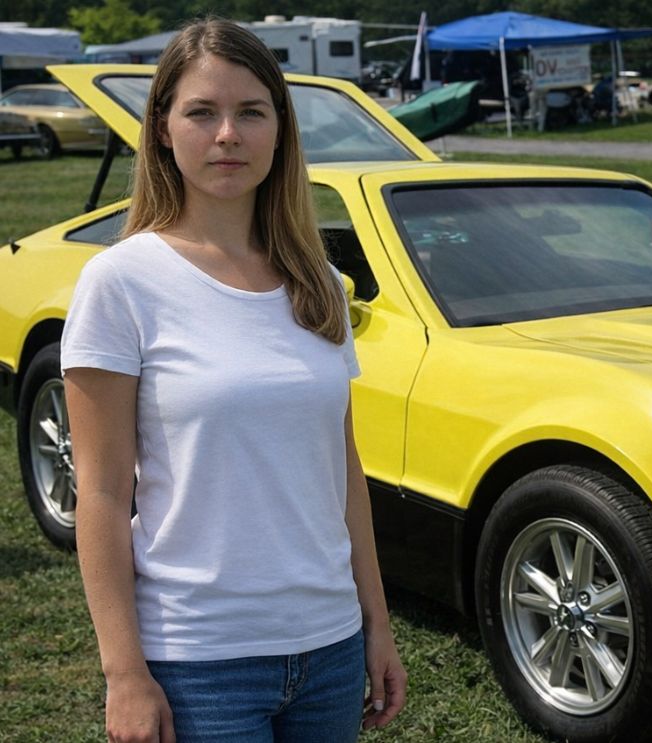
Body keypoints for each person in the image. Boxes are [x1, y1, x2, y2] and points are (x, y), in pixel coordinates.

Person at [62, 18, 406, 742]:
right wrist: (124, 672)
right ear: (161, 129)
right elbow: (98, 492)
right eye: (202, 112)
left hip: (331, 648)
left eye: (251, 111)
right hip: (198, 660)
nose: (228, 135)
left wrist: (376, 622)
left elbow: (342, 470)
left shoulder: (318, 283)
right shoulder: (120, 282)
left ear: (279, 130)